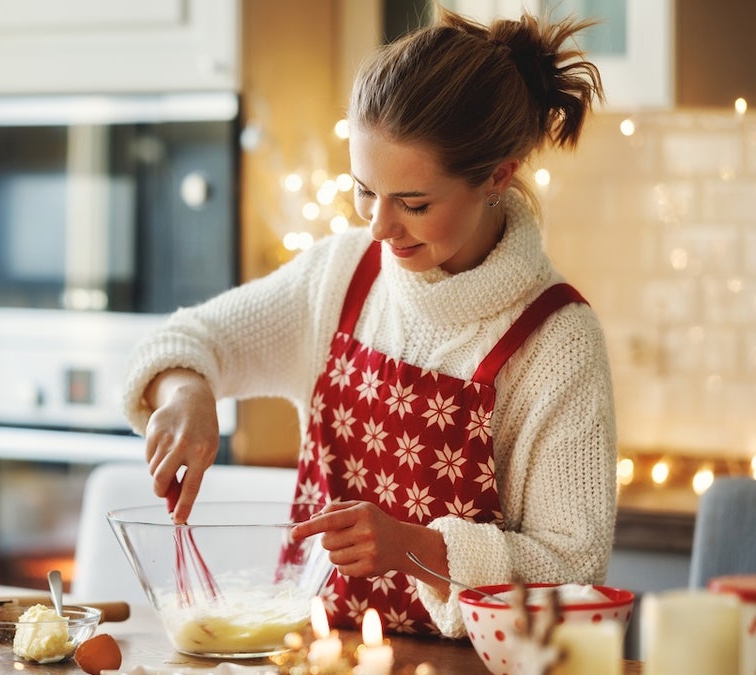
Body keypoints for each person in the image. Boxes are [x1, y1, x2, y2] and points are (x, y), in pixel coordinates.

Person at [120, 5, 616, 638]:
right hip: (318, 650)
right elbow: (187, 341)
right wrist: (187, 391)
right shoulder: (344, 273)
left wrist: (418, 548)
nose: (379, 228)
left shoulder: (557, 340)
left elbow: (578, 570)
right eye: (363, 190)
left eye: (413, 203)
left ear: (498, 176)